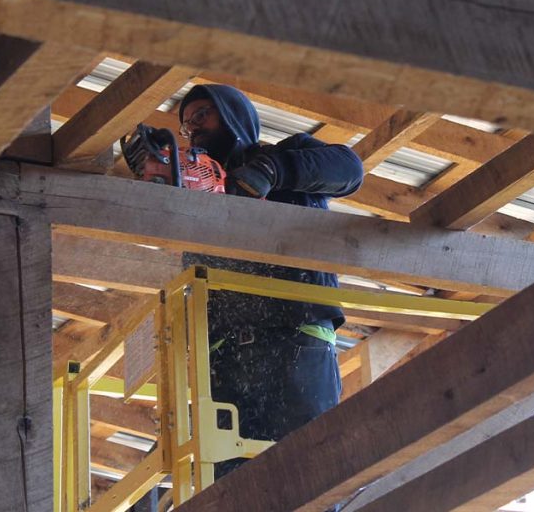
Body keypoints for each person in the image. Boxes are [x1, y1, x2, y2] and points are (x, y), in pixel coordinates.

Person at [132, 84, 365, 479]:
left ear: (234, 113)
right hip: (223, 359)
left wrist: (273, 170)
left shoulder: (288, 153)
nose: (193, 127)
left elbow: (349, 169)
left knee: (310, 470)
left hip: (295, 340)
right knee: (229, 485)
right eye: (187, 125)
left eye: (203, 114)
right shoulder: (197, 199)